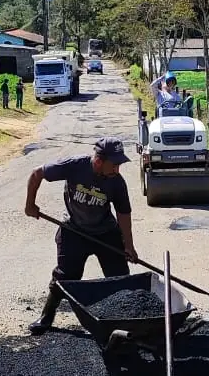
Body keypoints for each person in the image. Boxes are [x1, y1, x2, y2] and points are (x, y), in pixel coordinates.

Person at [25, 136, 138, 334]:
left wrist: (128, 245)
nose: (117, 169)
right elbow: (37, 173)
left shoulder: (117, 182)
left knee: (119, 277)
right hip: (74, 230)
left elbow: (123, 214)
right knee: (65, 276)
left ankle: (125, 319)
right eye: (114, 164)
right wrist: (30, 204)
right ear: (99, 161)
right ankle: (46, 316)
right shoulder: (74, 166)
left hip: (105, 233)